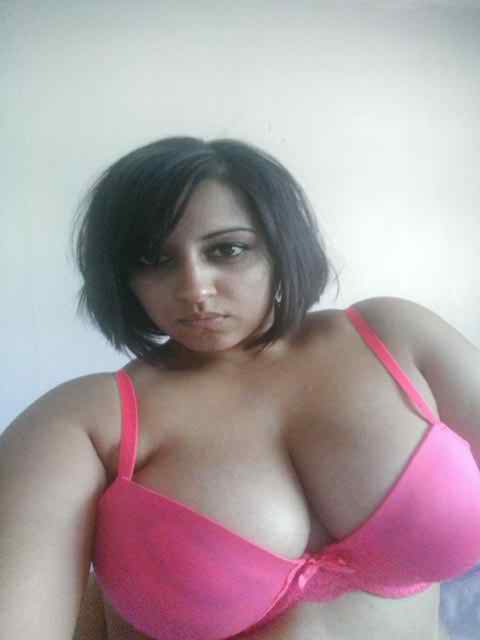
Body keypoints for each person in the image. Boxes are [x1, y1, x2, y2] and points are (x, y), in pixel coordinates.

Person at [1, 137, 478, 640]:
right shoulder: (79, 423)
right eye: (154, 259)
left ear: (279, 245)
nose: (195, 289)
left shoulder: (395, 338)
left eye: (227, 249)